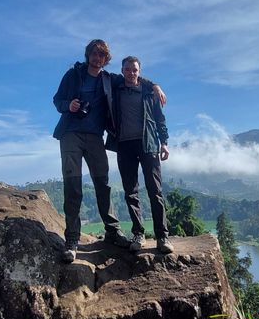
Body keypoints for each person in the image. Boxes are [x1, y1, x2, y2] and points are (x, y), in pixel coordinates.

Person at [53, 40, 165, 263]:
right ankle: (72, 240)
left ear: (106, 59)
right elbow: (57, 100)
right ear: (88, 55)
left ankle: (112, 232)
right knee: (73, 187)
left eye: (101, 55)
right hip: (71, 136)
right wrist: (69, 106)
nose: (97, 58)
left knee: (103, 185)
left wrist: (155, 86)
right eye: (94, 54)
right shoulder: (73, 75)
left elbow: (132, 77)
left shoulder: (108, 79)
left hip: (95, 137)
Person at [107, 56, 174, 254]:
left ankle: (162, 236)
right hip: (124, 146)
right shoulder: (116, 90)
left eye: (134, 70)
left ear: (139, 71)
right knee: (130, 192)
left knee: (155, 191)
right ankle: (139, 233)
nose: (131, 73)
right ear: (122, 71)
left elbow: (160, 120)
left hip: (149, 145)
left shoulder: (148, 93)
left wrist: (164, 143)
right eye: (127, 70)